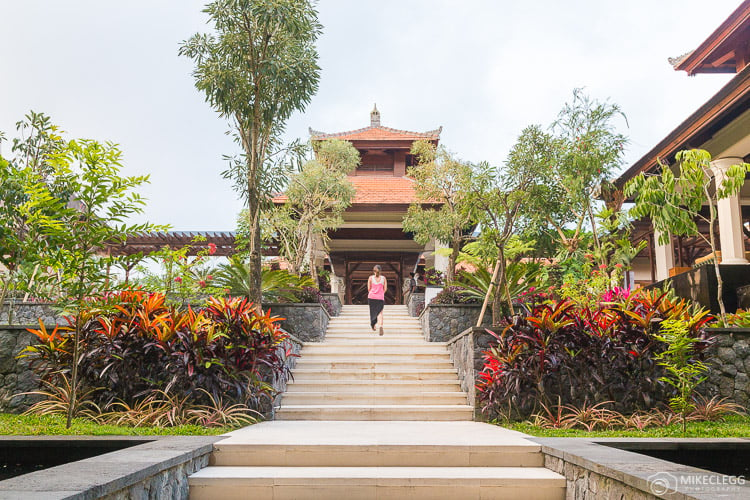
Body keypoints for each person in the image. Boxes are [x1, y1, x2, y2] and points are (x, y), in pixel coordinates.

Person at [368, 265, 387, 336]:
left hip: (372, 297)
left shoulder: (370, 278)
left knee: (373, 312)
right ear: (381, 271)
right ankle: (381, 326)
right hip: (380, 298)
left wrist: (373, 293)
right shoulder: (383, 278)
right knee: (380, 313)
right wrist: (381, 293)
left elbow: (369, 288)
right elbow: (385, 289)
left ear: (373, 271)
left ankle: (373, 324)